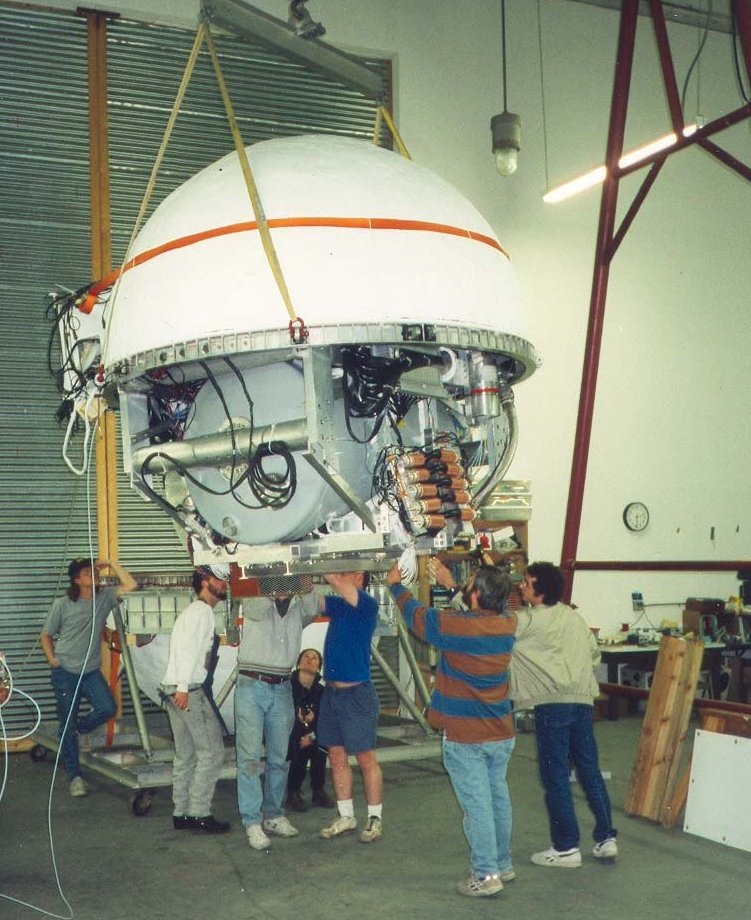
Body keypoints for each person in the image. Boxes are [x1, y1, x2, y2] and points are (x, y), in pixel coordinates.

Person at [388, 558, 517, 898]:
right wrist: (452, 585)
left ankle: (486, 875)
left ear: (476, 595)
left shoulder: (456, 627)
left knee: (477, 806)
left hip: (466, 735)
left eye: (469, 583)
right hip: (500, 731)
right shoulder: (507, 622)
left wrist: (395, 586)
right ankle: (502, 863)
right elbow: (473, 613)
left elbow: (418, 617)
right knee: (497, 798)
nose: (466, 585)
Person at [512, 561, 617, 868]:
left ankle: (566, 848)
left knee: (555, 776)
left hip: (553, 705)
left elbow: (488, 628)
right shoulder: (574, 617)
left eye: (526, 583)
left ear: (541, 592)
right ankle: (606, 838)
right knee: (589, 769)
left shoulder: (527, 621)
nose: (520, 586)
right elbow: (594, 655)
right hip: (582, 702)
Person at [40, 557, 137, 797]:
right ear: (76, 580)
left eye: (94, 571)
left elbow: (131, 585)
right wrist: (52, 659)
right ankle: (75, 776)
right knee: (68, 721)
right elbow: (46, 635)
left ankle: (74, 732)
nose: (93, 575)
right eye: (87, 572)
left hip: (90, 671)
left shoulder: (104, 598)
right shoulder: (62, 604)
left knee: (107, 708)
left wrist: (111, 563)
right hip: (65, 672)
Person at [235, 587, 319, 850]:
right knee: (249, 758)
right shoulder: (254, 599)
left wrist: (305, 583)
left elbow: (314, 608)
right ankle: (252, 821)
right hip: (252, 684)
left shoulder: (298, 608)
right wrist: (272, 588)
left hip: (282, 687)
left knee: (280, 757)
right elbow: (252, 609)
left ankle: (273, 815)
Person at [161, 567, 230, 833]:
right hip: (187, 691)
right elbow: (187, 651)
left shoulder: (193, 611)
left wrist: (178, 688)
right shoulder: (202, 612)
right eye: (219, 579)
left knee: (186, 754)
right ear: (204, 581)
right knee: (212, 753)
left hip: (174, 689)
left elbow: (181, 650)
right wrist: (183, 688)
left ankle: (180, 813)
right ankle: (199, 813)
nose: (224, 584)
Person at [317, 571, 383, 844]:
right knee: (336, 756)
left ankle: (375, 818)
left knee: (366, 758)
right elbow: (314, 599)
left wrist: (322, 565)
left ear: (361, 578)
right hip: (332, 693)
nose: (345, 575)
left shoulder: (367, 604)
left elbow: (334, 579)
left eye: (352, 572)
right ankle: (346, 816)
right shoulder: (339, 605)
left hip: (357, 695)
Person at [286, 647, 334, 812]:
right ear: (299, 663)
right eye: (306, 656)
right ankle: (293, 791)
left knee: (319, 745)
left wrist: (311, 731)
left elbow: (326, 719)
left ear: (319, 667)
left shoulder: (322, 691)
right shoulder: (287, 687)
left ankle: (318, 790)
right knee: (298, 745)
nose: (309, 659)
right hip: (290, 732)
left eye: (314, 658)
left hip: (313, 734)